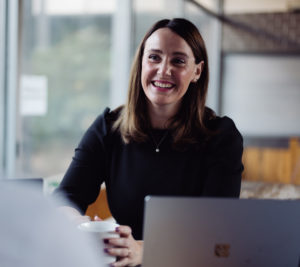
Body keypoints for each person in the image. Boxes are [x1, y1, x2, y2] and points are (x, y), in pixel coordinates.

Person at [54, 18, 244, 267]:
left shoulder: (221, 136)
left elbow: (215, 231)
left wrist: (143, 250)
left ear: (197, 71)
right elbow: (64, 199)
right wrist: (85, 227)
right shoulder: (108, 128)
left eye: (178, 60)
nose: (164, 70)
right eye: (154, 57)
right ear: (141, 63)